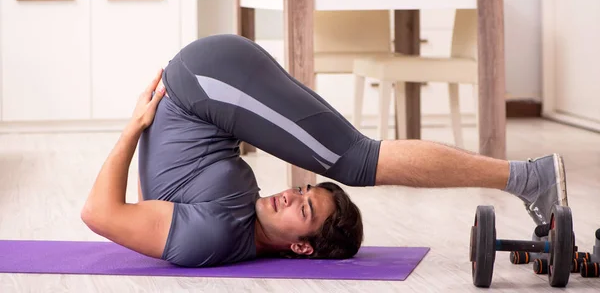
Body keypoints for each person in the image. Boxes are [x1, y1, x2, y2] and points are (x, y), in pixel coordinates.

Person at [81, 34, 568, 268]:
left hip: (205, 86)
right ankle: (527, 177)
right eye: (306, 196)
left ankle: (530, 177)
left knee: (353, 158)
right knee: (353, 158)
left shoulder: (208, 237)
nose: (290, 195)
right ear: (299, 246)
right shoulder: (224, 231)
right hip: (209, 86)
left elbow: (100, 213)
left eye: (304, 205)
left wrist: (133, 128)